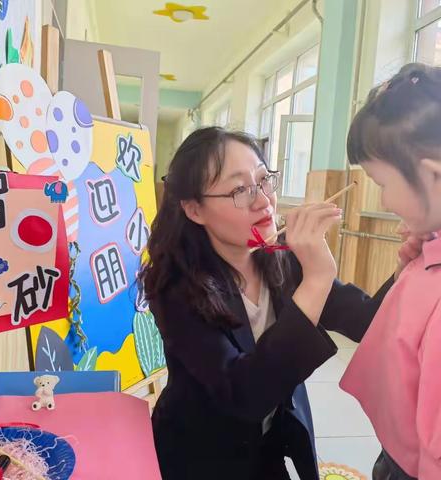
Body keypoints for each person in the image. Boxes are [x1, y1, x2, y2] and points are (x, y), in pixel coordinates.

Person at [140, 126, 408, 480]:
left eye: (265, 180)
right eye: (239, 189)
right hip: (199, 454)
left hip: (272, 444)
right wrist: (316, 280)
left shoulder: (282, 260)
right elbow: (245, 394)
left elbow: (368, 319)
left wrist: (405, 267)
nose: (263, 200)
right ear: (195, 210)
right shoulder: (174, 285)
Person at [340, 63, 441, 480]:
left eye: (381, 183)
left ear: (433, 174)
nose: (382, 202)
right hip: (398, 450)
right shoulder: (426, 247)